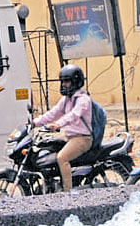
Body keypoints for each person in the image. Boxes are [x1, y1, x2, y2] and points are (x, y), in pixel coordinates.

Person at [31, 63, 94, 192]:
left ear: (76, 81)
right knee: (47, 148)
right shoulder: (66, 99)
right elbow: (53, 113)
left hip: (82, 139)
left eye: (67, 81)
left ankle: (67, 192)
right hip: (70, 138)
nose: (64, 84)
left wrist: (58, 124)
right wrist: (35, 123)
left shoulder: (83, 99)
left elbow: (74, 115)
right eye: (62, 81)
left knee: (62, 158)